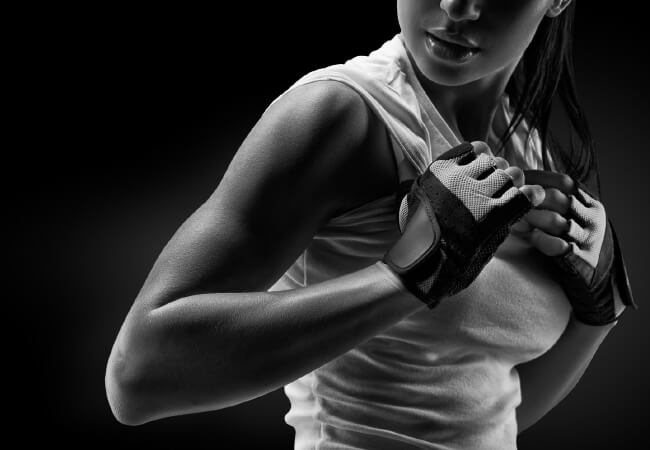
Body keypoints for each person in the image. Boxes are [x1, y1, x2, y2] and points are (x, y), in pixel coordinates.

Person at [105, 1, 637, 448]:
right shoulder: (341, 113)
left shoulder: (525, 144)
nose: (458, 7)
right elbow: (139, 376)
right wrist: (404, 276)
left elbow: (479, 419)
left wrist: (598, 313)